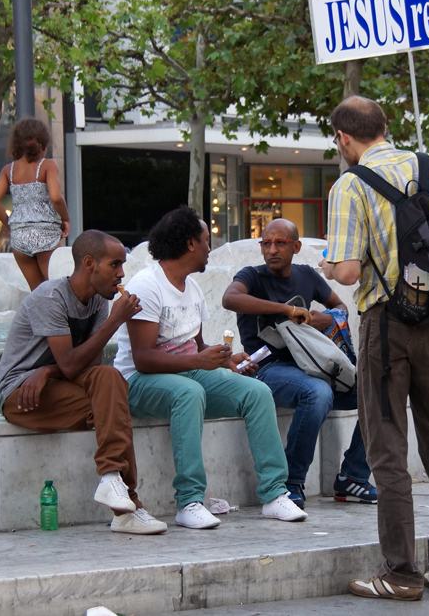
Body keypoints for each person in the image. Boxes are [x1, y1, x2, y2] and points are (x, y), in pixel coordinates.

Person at [319, 96, 429, 601]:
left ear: (343, 138)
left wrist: (328, 266)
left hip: (386, 327)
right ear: (386, 126)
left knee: (387, 450)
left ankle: (401, 575)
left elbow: (345, 272)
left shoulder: (349, 185)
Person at [113, 206, 307, 529]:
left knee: (258, 392)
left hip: (187, 373)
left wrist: (226, 359)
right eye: (206, 240)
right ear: (190, 244)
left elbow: (196, 347)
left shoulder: (193, 288)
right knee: (188, 393)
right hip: (139, 382)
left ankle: (274, 495)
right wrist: (198, 361)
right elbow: (142, 358)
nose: (209, 248)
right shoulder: (147, 285)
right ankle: (189, 500)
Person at [0, 229, 166, 535]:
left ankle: (113, 482)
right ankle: (129, 506)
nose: (121, 274)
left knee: (110, 380)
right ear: (89, 264)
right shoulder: (49, 298)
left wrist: (47, 371)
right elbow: (73, 364)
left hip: (53, 384)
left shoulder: (98, 302)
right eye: (114, 264)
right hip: (22, 394)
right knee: (113, 404)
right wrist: (116, 321)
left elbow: (91, 366)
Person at [222, 218, 375, 510]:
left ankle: (353, 476)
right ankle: (290, 483)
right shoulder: (252, 276)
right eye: (266, 243)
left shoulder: (307, 275)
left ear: (296, 246)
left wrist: (320, 319)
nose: (272, 250)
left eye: (280, 243)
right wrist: (287, 310)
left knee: (380, 393)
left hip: (314, 364)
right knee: (317, 393)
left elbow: (340, 309)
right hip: (267, 370)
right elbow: (230, 299)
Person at [0, 118, 70, 291]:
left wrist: (10, 224)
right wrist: (66, 219)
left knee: (38, 292)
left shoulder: (8, 170)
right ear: (44, 145)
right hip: (45, 236)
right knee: (57, 290)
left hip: (19, 238)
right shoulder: (48, 165)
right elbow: (56, 197)